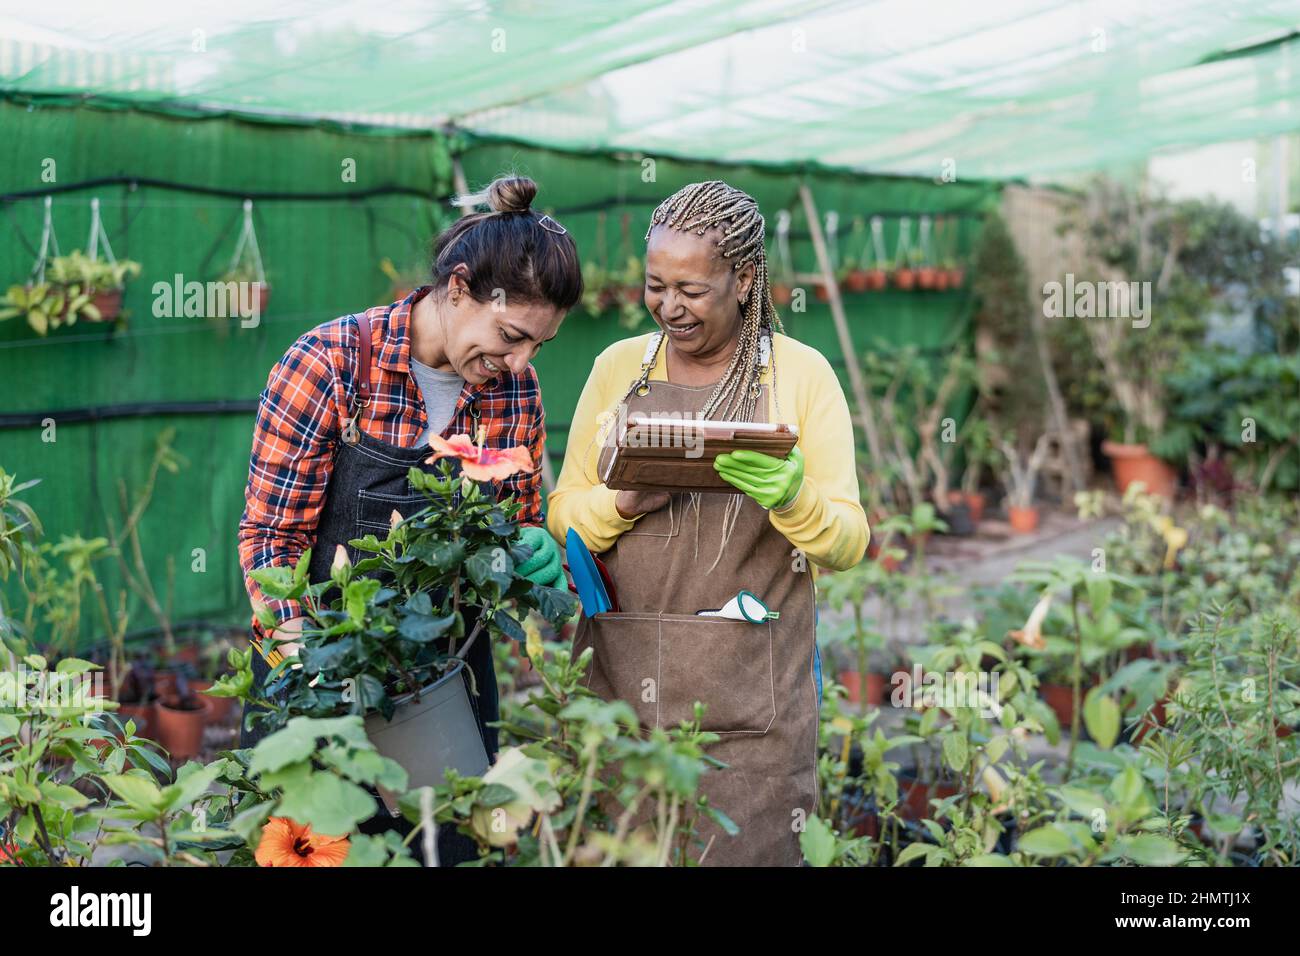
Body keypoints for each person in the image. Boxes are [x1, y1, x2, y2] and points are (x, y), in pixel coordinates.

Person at [237, 175, 580, 863]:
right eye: (512, 336)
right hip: (320, 658)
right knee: (313, 845)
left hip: (446, 672)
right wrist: (319, 675)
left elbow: (511, 524)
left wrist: (529, 548)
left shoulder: (517, 390)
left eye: (536, 347)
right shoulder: (332, 364)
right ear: (458, 289)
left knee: (453, 846)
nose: (518, 362)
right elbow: (272, 542)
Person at [546, 180, 868, 866]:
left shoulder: (800, 375)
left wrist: (791, 497)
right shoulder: (617, 368)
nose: (669, 306)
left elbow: (848, 540)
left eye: (691, 289)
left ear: (745, 278)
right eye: (656, 285)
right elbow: (563, 513)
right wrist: (619, 505)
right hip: (621, 677)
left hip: (752, 698)